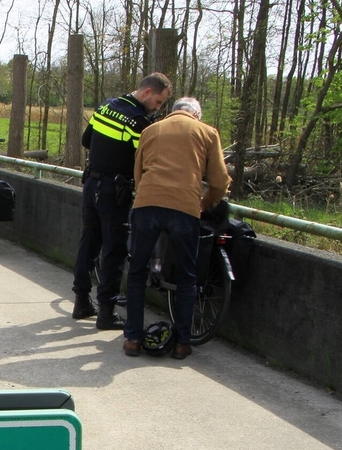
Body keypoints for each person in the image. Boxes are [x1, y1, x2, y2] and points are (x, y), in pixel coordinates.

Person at [123, 97, 231, 360]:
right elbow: (219, 180)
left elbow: (138, 173)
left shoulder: (150, 130)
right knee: (187, 277)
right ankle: (182, 343)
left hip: (147, 203)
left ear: (173, 112)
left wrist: (146, 197)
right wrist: (205, 203)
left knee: (137, 273)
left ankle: (134, 339)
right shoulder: (207, 132)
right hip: (184, 207)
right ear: (196, 114)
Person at [71, 72, 173, 327]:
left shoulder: (106, 107)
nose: (157, 108)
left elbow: (86, 140)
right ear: (147, 92)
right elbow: (146, 159)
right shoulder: (138, 122)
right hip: (114, 190)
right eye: (159, 102)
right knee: (115, 250)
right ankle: (106, 311)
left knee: (88, 243)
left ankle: (81, 301)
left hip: (91, 183)